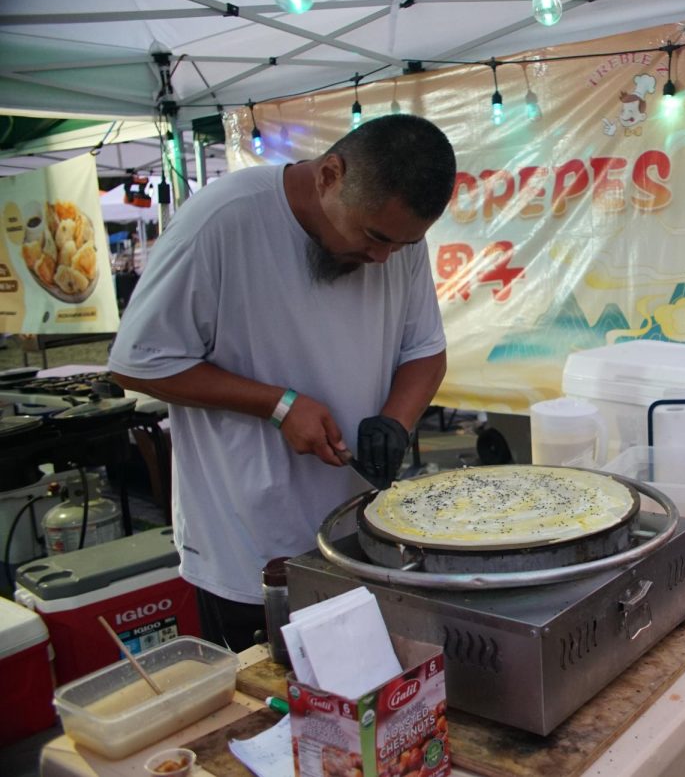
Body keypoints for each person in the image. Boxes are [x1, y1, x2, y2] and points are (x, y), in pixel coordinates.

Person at [107, 115, 457, 651]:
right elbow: (140, 360)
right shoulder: (223, 221)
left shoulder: (397, 241)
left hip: (362, 535)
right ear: (329, 175)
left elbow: (425, 350)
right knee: (270, 715)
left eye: (403, 245)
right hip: (250, 545)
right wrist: (278, 404)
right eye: (374, 237)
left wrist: (396, 419)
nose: (384, 258)